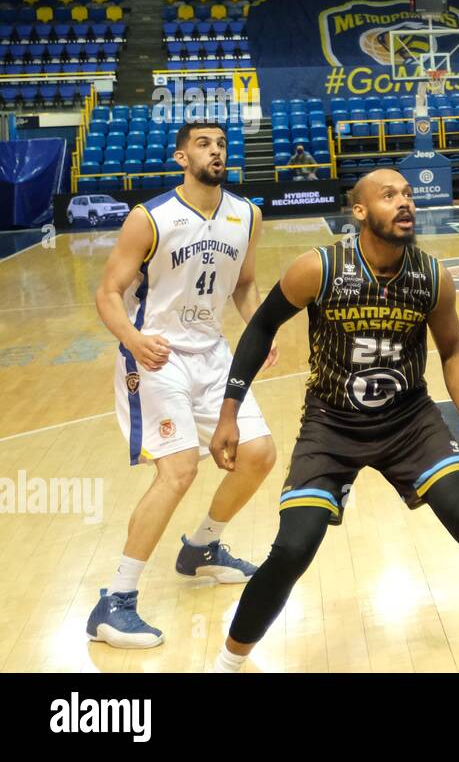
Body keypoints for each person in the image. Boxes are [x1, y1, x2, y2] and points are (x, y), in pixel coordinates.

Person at [209, 169, 459, 673]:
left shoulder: (431, 275)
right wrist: (229, 410)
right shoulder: (319, 268)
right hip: (332, 423)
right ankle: (226, 663)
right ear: (359, 211)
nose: (404, 203)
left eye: (409, 195)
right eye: (389, 195)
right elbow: (262, 324)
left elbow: (454, 348)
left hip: (410, 421)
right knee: (292, 548)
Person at [86, 122, 277, 649]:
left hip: (212, 352)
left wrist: (259, 328)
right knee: (179, 470)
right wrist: (133, 337)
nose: (215, 151)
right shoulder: (149, 218)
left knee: (259, 453)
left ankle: (202, 549)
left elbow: (243, 283)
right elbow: (108, 292)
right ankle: (114, 603)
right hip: (157, 354)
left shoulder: (247, 214)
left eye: (220, 144)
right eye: (203, 144)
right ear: (179, 157)